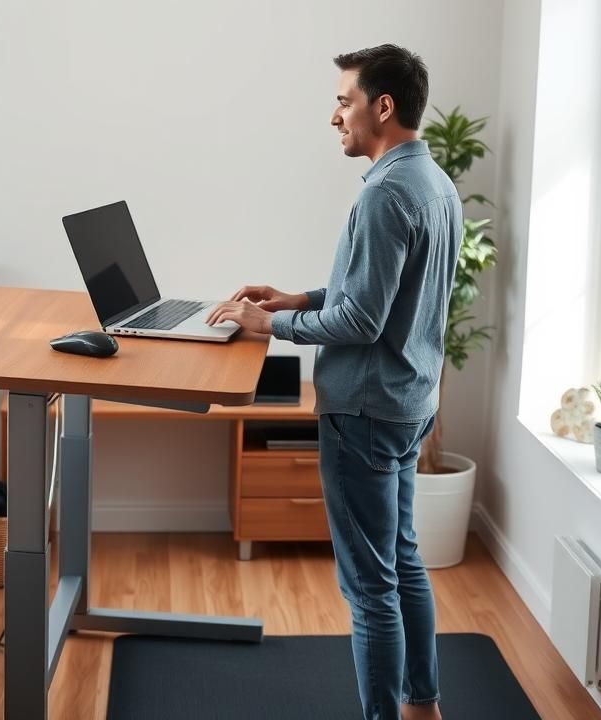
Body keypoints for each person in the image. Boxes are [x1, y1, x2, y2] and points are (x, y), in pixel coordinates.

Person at [205, 43, 462, 720]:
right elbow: (380, 293)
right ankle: (422, 705)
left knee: (369, 587)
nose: (334, 117)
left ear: (382, 107)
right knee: (403, 563)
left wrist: (270, 329)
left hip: (364, 414)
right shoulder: (434, 183)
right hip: (409, 405)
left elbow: (363, 319)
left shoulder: (385, 194)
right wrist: (295, 300)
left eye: (344, 101)